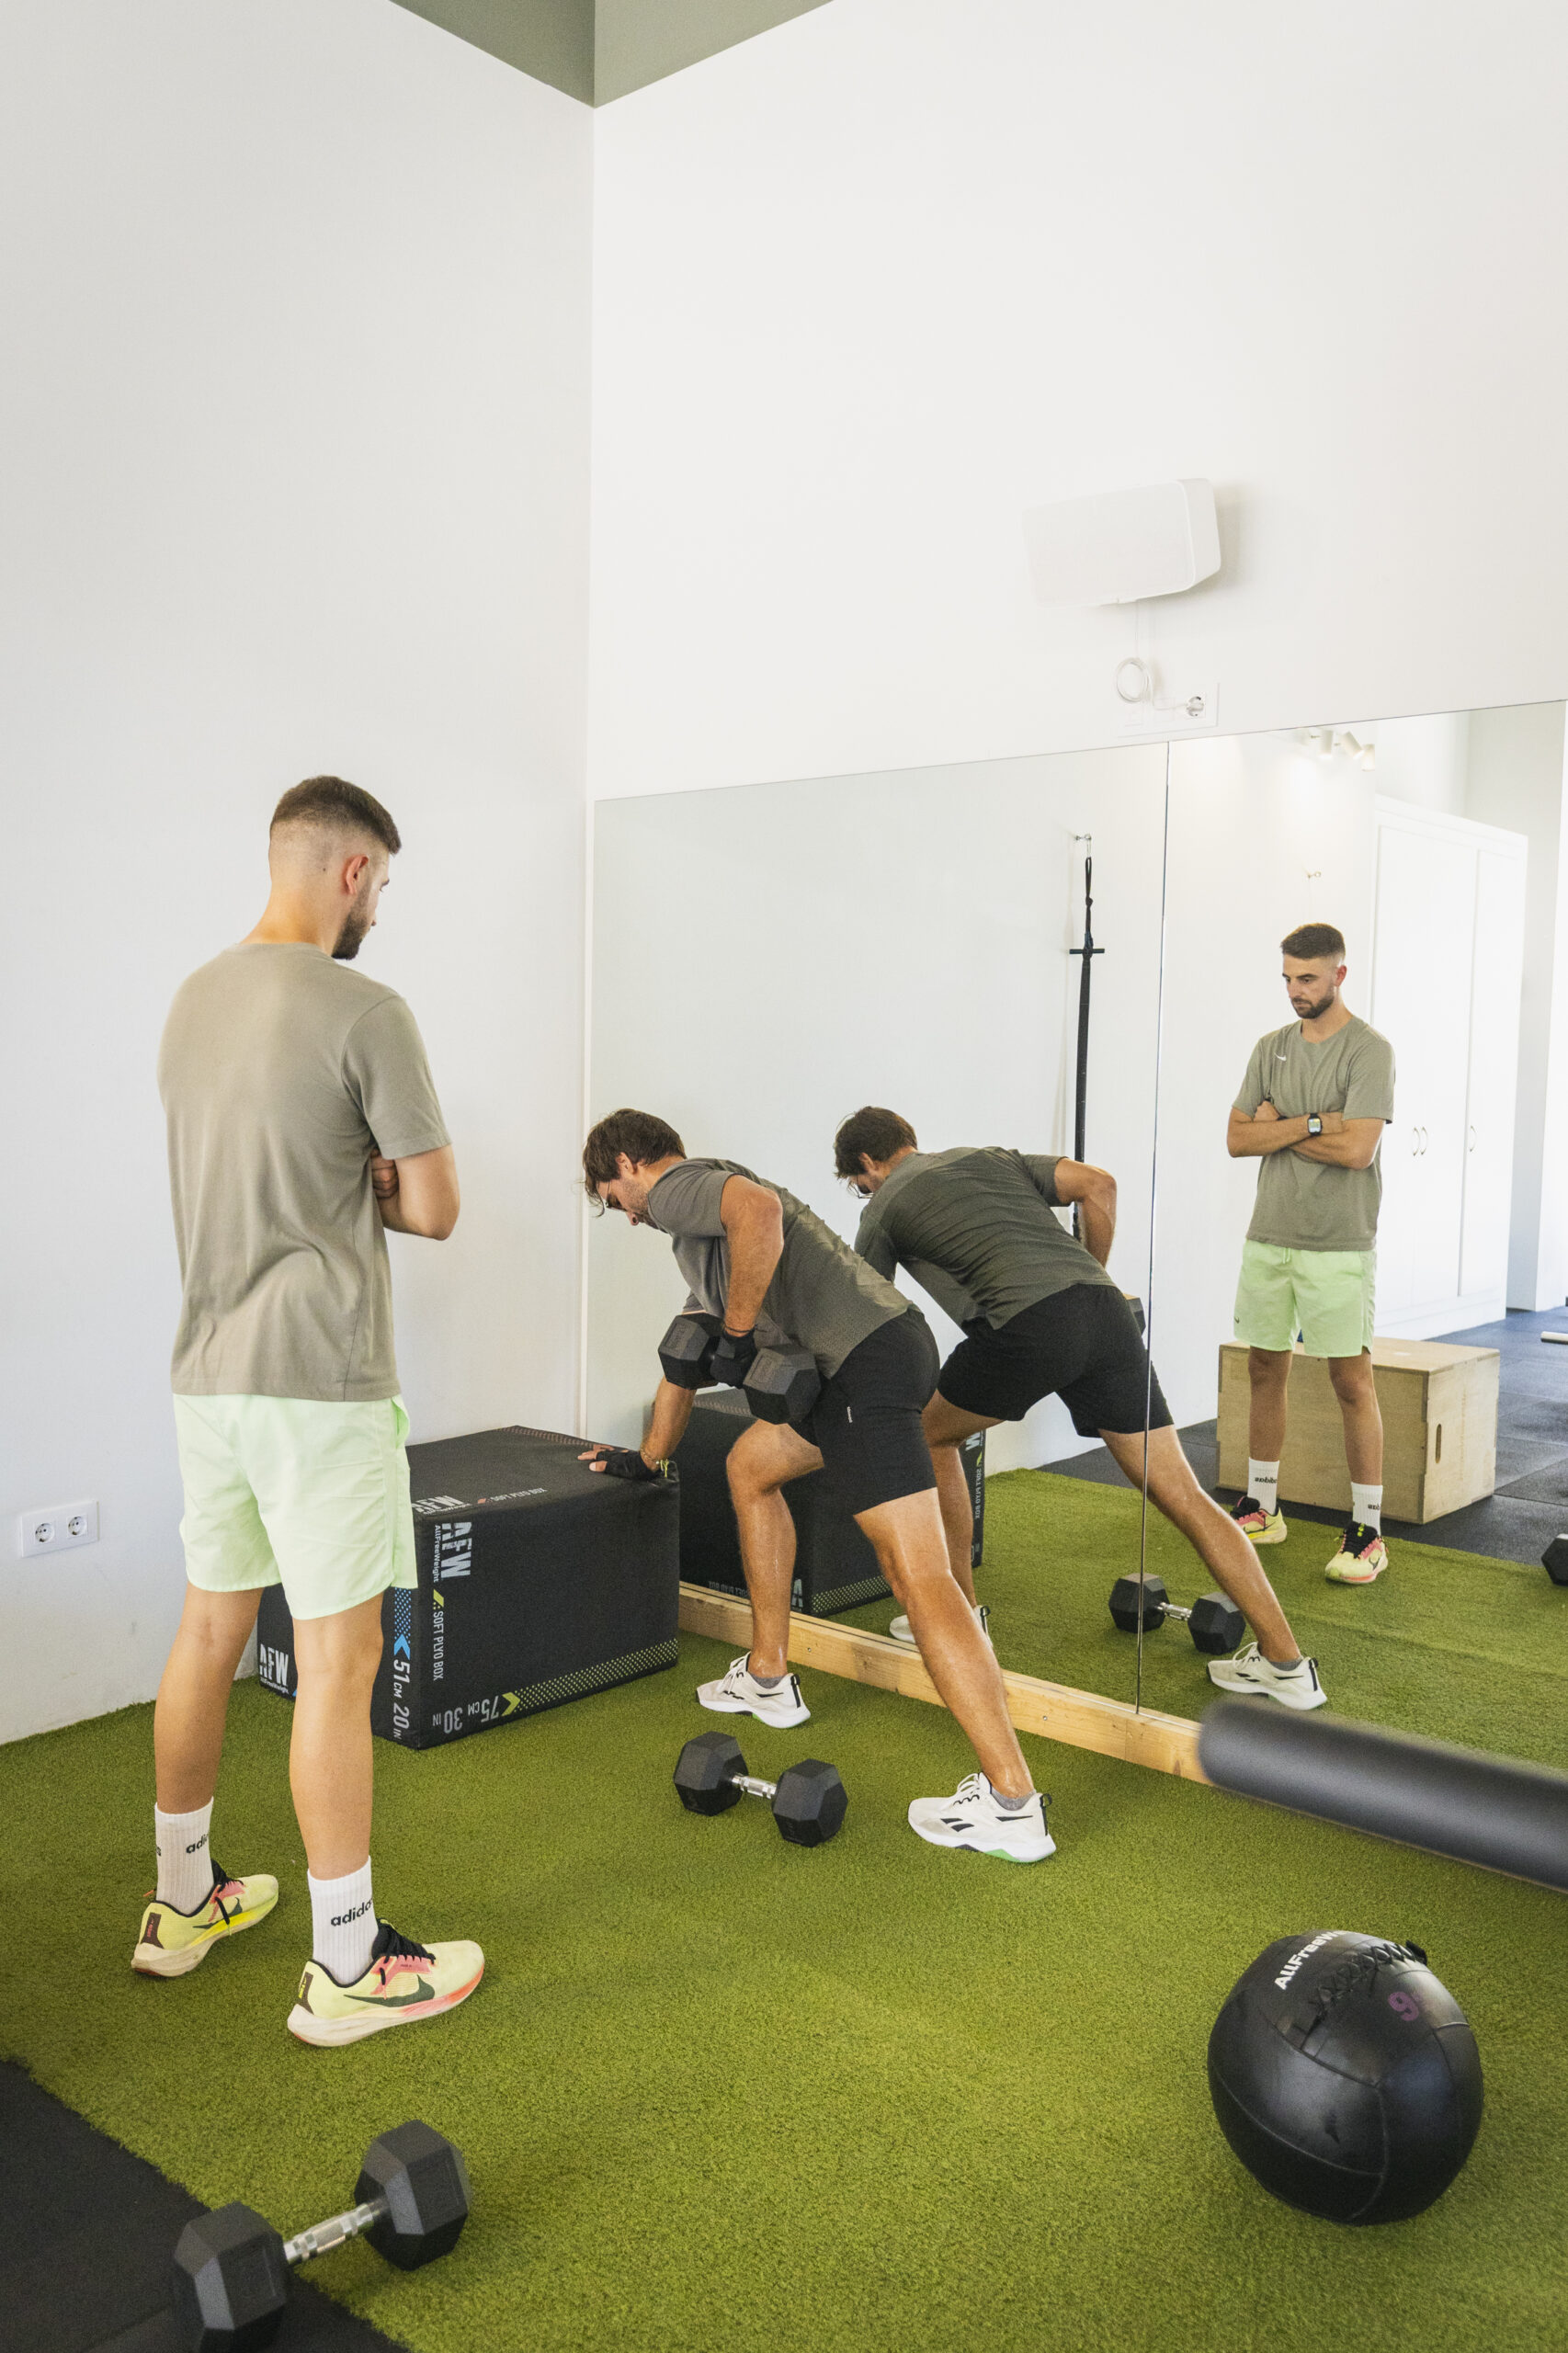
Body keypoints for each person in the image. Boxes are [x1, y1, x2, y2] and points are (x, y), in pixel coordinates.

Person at [141, 775, 483, 2045]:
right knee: (340, 1662)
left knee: (207, 1631)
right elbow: (435, 1208)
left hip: (208, 1371)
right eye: (381, 885)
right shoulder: (364, 1009)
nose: (378, 908)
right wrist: (370, 1183)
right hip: (318, 1381)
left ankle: (184, 1902)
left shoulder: (192, 999)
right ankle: (348, 1966)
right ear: (351, 871)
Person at [580, 1109, 1055, 1862]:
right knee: (751, 1466)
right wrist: (648, 1457)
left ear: (629, 1164)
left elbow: (759, 1213)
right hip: (863, 1365)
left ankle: (1012, 1801)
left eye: (615, 1199)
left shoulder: (679, 1187)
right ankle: (768, 1676)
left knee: (917, 1575)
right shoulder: (702, 1244)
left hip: (862, 1365)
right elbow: (685, 1357)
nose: (628, 1216)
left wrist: (741, 1334)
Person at [835, 1107, 1326, 1711]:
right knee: (1183, 1492)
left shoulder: (883, 1206)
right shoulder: (991, 1158)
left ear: (868, 1162)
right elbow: (1100, 1185)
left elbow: (867, 1313)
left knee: (933, 1437)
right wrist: (1092, 1271)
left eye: (858, 1184)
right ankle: (1286, 1663)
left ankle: (960, 1616)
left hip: (1026, 1326)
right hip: (1106, 1311)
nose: (864, 1193)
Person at [1226, 922, 1396, 1583]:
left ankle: (1368, 1532)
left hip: (1339, 1243)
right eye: (1289, 979)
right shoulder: (1270, 1048)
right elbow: (1238, 1139)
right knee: (1264, 1368)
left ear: (1339, 975)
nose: (1296, 990)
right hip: (1269, 1234)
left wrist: (1281, 1127)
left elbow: (1357, 1151)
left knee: (1351, 1382)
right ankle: (1261, 1506)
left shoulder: (1369, 1051)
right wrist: (1320, 1121)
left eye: (1308, 979)